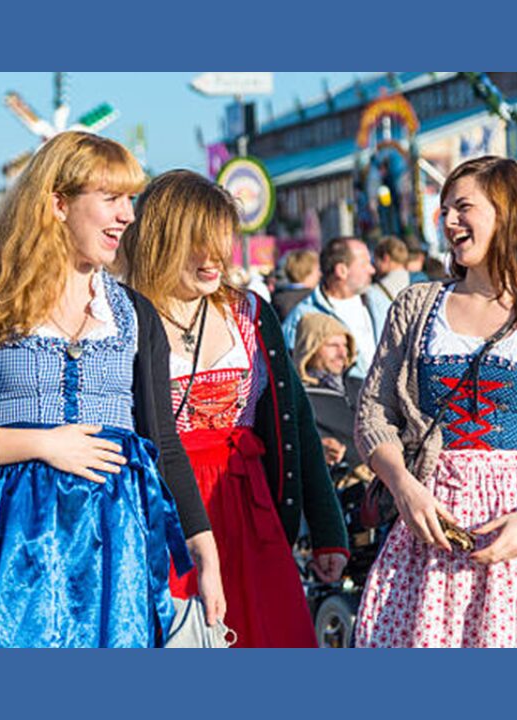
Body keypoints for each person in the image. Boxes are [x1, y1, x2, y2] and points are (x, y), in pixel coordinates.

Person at [0, 132, 223, 648]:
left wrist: (204, 551)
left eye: (130, 199)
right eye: (111, 198)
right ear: (58, 203)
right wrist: (42, 443)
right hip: (17, 544)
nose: (127, 215)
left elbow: (163, 443)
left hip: (116, 546)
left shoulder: (134, 313)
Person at [352, 156, 517, 648]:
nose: (449, 221)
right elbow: (373, 416)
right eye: (445, 209)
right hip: (424, 537)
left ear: (507, 212)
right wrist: (404, 488)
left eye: (463, 207)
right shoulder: (416, 306)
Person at [120, 169, 348, 648]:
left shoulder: (249, 312)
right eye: (199, 243)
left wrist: (328, 528)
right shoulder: (122, 320)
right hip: (167, 518)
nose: (214, 259)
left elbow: (297, 422)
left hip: (252, 510)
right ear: (165, 239)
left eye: (222, 242)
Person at [281, 237, 390, 383]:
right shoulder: (304, 315)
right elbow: (291, 370)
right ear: (342, 271)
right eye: (364, 264)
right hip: (338, 401)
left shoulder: (379, 302)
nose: (372, 270)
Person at [293, 313, 362, 470]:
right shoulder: (299, 397)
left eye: (345, 345)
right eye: (333, 345)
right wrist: (318, 447)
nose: (342, 354)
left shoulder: (361, 386)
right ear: (310, 349)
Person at [271, 249, 320, 319]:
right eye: (317, 270)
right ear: (307, 272)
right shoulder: (312, 298)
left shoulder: (277, 297)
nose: (320, 274)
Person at [373, 235, 410, 301]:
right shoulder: (417, 280)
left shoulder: (377, 290)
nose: (374, 266)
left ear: (385, 258)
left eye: (376, 260)